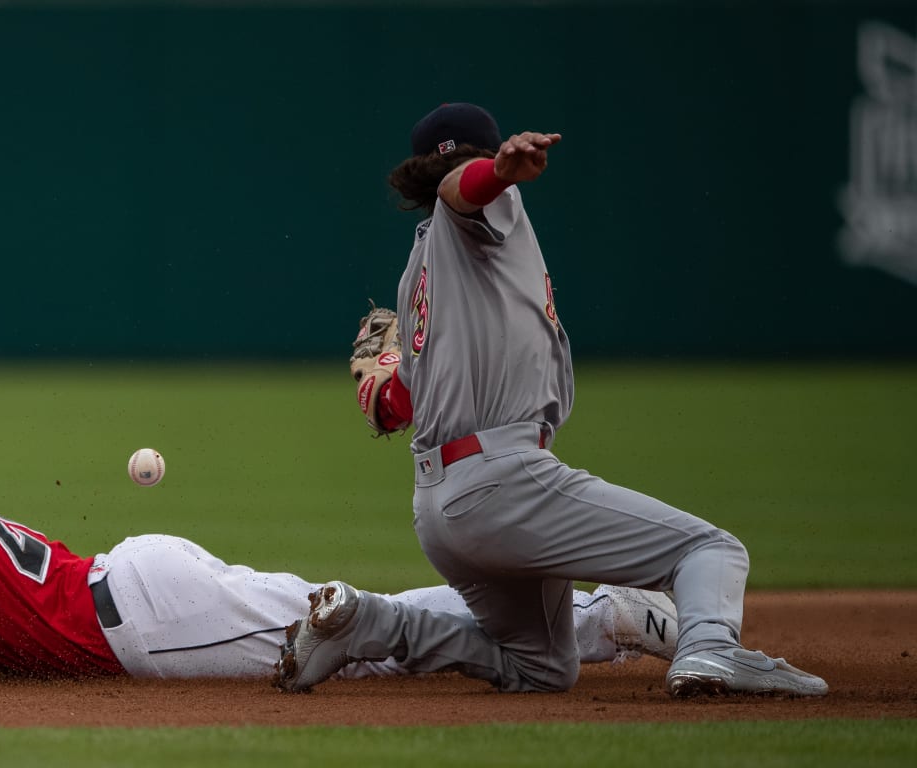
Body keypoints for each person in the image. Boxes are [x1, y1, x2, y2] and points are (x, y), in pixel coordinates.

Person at [274, 103, 827, 697]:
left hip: (441, 507)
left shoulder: (421, 271)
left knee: (540, 668)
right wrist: (500, 171)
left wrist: (382, 388)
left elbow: (395, 406)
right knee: (709, 549)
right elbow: (462, 188)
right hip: (504, 484)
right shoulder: (482, 204)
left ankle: (366, 623)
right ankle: (712, 651)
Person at [0, 398, 677, 687]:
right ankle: (585, 611)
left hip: (153, 629)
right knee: (345, 616)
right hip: (146, 586)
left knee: (366, 637)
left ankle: (600, 618)